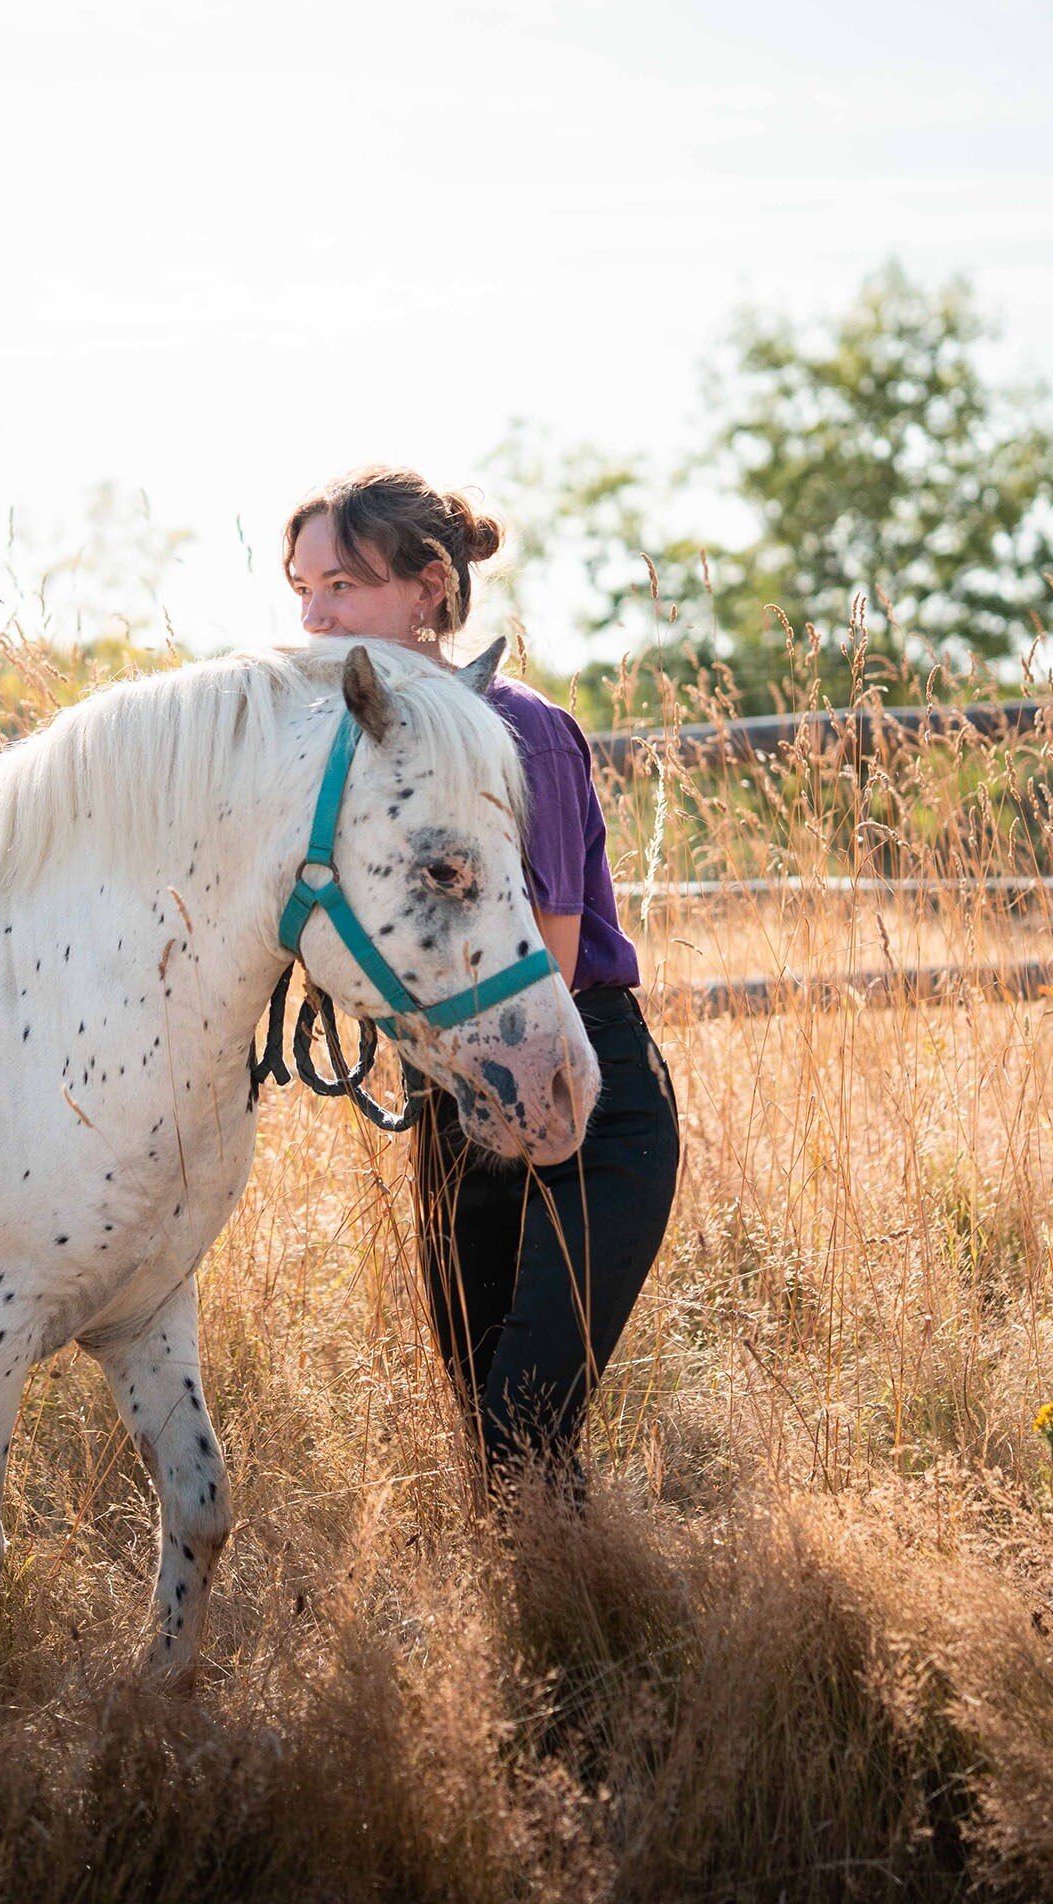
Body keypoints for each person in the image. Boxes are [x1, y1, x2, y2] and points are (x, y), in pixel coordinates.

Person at [280, 466, 682, 1492]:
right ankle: (543, 1619)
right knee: (488, 1435)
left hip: (579, 1089)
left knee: (525, 1430)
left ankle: (598, 1630)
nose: (315, 614)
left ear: (426, 588)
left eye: (342, 585)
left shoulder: (520, 727)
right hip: (458, 1099)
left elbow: (535, 954)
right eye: (302, 589)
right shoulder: (359, 749)